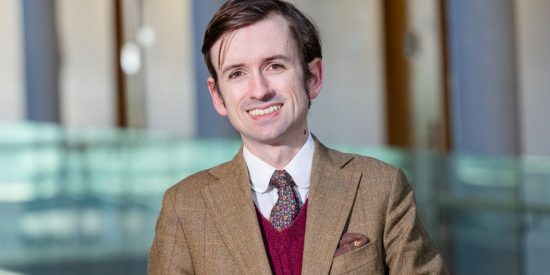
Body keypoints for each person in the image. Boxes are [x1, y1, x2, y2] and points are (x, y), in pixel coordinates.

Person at [148, 0, 448, 274]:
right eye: (237, 73)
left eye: (275, 65)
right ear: (217, 96)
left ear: (313, 77)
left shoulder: (381, 187)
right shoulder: (184, 207)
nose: (259, 90)